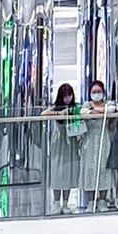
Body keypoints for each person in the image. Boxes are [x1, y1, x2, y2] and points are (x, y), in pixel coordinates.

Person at [42, 82, 82, 212]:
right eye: (65, 96)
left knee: (69, 171)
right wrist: (59, 114)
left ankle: (66, 202)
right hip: (58, 142)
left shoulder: (75, 108)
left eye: (69, 95)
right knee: (57, 171)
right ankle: (56, 202)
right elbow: (43, 114)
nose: (67, 98)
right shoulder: (56, 107)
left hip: (71, 141)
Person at [78, 80, 114, 211]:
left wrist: (94, 111)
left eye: (99, 91)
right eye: (94, 92)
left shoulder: (108, 103)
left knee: (104, 168)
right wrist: (100, 112)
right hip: (89, 140)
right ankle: (91, 201)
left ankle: (103, 200)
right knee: (89, 169)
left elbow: (110, 111)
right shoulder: (86, 104)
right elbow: (83, 113)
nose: (96, 94)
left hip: (104, 139)